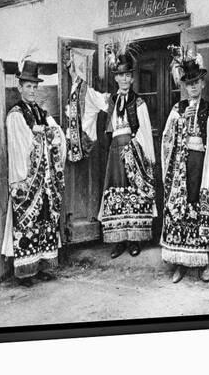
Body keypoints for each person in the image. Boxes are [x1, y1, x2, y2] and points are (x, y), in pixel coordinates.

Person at [67, 39, 156, 259]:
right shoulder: (111, 101)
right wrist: (75, 77)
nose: (124, 79)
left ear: (132, 78)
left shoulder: (139, 103)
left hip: (133, 151)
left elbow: (144, 132)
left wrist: (143, 158)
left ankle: (134, 239)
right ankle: (119, 240)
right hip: (116, 152)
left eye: (128, 75)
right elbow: (88, 95)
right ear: (115, 77)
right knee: (117, 193)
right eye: (120, 75)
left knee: (134, 193)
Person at [160, 47, 209, 283]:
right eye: (188, 83)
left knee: (198, 207)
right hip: (180, 165)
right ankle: (180, 262)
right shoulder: (177, 109)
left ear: (202, 84)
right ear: (184, 86)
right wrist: (181, 121)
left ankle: (204, 264)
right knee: (179, 208)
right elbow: (167, 140)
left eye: (196, 82)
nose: (192, 87)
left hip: (199, 164)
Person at [1, 59, 66, 287]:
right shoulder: (16, 114)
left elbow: (56, 133)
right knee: (28, 222)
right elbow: (22, 144)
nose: (31, 90)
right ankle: (26, 271)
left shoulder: (41, 112)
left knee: (45, 219)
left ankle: (41, 265)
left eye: (34, 86)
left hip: (45, 180)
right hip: (28, 181)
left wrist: (45, 132)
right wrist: (40, 135)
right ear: (19, 87)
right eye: (27, 86)